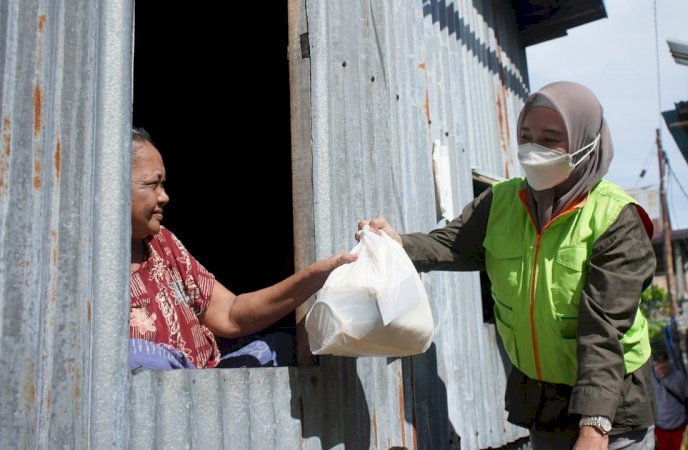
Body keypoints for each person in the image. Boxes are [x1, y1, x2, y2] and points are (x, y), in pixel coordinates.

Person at [358, 81, 657, 449]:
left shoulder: (615, 219)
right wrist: (398, 243)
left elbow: (603, 329)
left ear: (585, 143)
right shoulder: (500, 201)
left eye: (550, 139)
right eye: (526, 136)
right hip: (543, 403)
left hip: (612, 407)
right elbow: (451, 244)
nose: (534, 150)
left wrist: (594, 428)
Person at [129, 127, 356, 369]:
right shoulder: (88, 271)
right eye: (153, 184)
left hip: (206, 382)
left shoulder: (163, 243)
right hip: (158, 399)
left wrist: (315, 276)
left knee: (293, 343)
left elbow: (229, 313)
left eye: (163, 184)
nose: (164, 196)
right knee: (138, 355)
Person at [652, 354, 688, 450]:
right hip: (660, 424)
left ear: (669, 364)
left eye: (664, 365)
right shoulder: (651, 378)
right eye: (658, 365)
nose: (662, 368)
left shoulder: (679, 376)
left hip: (679, 422)